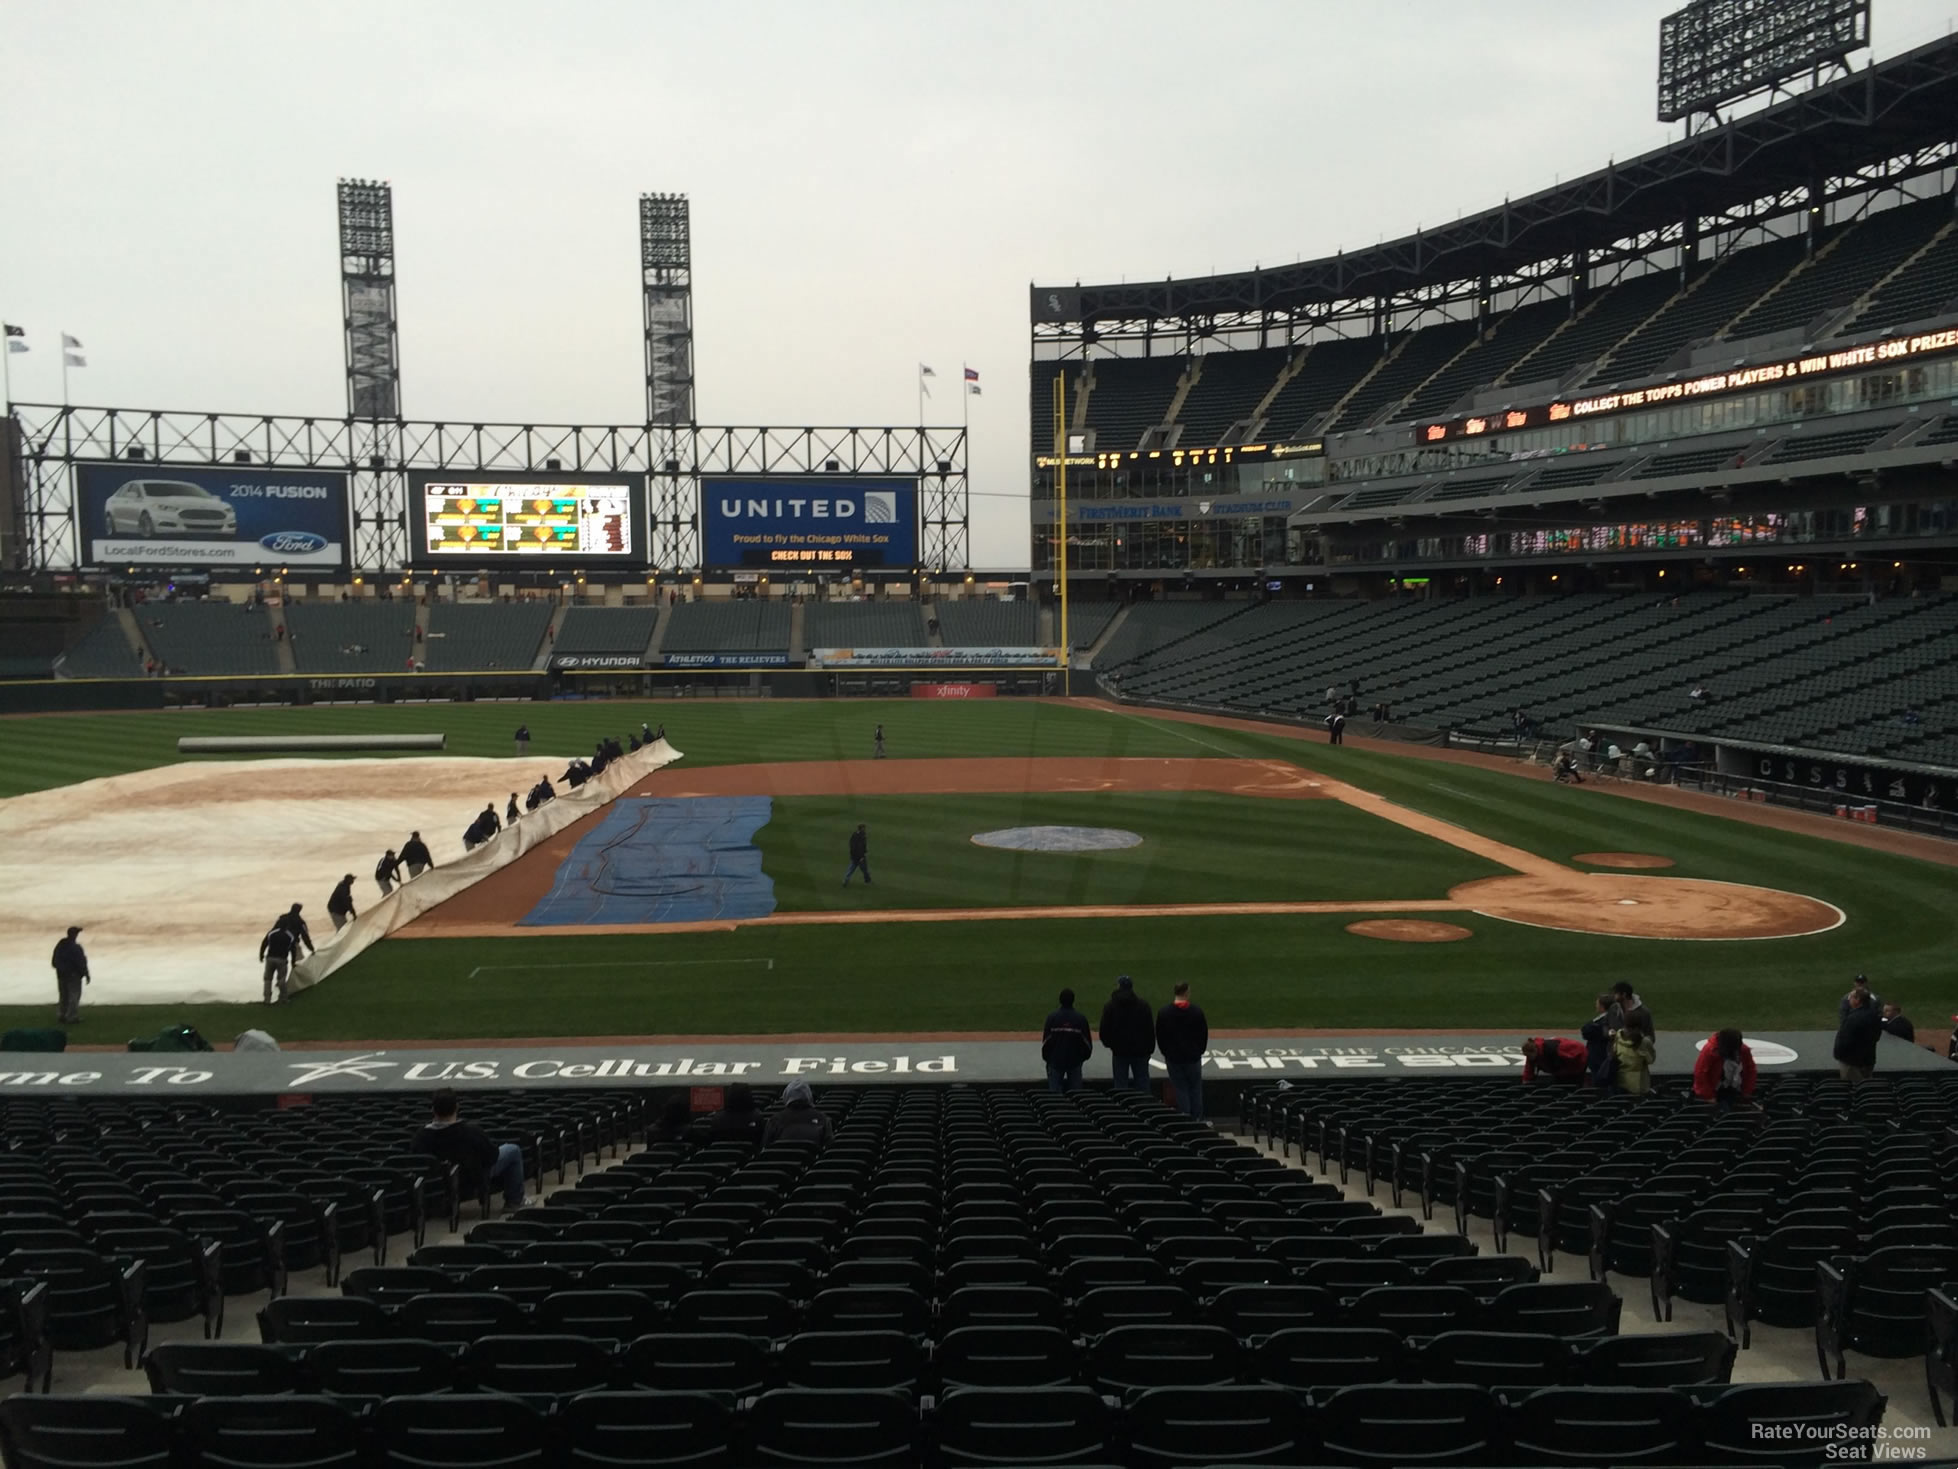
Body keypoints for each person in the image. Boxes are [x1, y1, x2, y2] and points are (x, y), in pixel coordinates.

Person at [413, 1088, 528, 1211]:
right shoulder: (471, 1132)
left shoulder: (421, 1136)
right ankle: (514, 1201)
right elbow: (492, 1156)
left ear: (433, 1109)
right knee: (513, 1150)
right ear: (457, 1107)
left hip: (437, 1184)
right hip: (474, 1178)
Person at [1157, 982, 1210, 1118]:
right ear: (1186, 992)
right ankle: (1197, 1118)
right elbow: (1203, 1034)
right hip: (1192, 1057)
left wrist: (1166, 1052)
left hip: (1174, 1057)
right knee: (1195, 1088)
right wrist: (1200, 1051)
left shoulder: (1164, 1013)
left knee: (1180, 1088)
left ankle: (1186, 1118)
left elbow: (1160, 1035)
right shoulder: (1196, 1012)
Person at [1098, 975, 1155, 1091]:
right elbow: (1149, 1030)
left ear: (1119, 986)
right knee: (1143, 1083)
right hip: (1140, 1051)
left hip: (1120, 1051)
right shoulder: (1143, 1005)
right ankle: (1145, 1106)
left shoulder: (1110, 1006)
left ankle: (1121, 1108)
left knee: (1120, 1084)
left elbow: (1104, 1029)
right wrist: (1149, 1049)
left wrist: (1111, 1045)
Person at [1041, 987, 1094, 1093]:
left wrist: (1048, 1059)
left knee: (1054, 1096)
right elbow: (1087, 1044)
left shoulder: (1052, 1017)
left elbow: (1046, 1042)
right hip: (1074, 1062)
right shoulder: (1080, 1019)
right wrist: (1081, 1059)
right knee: (1077, 1096)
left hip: (1055, 1061)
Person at [1692, 1029, 1757, 1110]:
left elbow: (1751, 1070)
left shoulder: (1743, 1050)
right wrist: (1709, 1096)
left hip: (1734, 1089)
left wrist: (1747, 1091)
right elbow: (1700, 1073)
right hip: (1714, 1090)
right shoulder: (1710, 1050)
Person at [764, 1079, 832, 1146]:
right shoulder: (822, 1119)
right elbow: (829, 1146)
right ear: (809, 1096)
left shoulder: (775, 1120)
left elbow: (766, 1147)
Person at [1834, 988, 1881, 1082]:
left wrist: (1838, 1055)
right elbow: (1876, 1036)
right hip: (1868, 1059)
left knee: (1853, 1088)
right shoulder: (1874, 1015)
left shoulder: (1853, 1018)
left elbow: (1844, 1041)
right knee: (1866, 1088)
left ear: (1857, 1000)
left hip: (1852, 1062)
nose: (1849, 1000)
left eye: (1851, 997)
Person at [51, 926, 89, 1025]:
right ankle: (71, 1017)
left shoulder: (60, 946)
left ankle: (62, 1015)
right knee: (74, 995)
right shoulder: (76, 948)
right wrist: (85, 973)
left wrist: (60, 969)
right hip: (73, 975)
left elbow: (54, 961)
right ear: (74, 935)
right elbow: (81, 962)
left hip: (61, 974)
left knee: (63, 996)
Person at [1580, 994, 1618, 1089]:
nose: (1596, 1005)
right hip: (1607, 1055)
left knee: (1600, 1083)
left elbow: (1585, 1030)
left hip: (1598, 1055)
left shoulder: (1601, 1021)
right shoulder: (1616, 1018)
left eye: (1598, 1004)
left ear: (1603, 1006)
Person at [1612, 1016, 1657, 1095]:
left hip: (1620, 1079)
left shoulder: (1618, 1036)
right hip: (1639, 1084)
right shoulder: (1645, 1042)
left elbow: (1614, 1052)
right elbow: (1651, 1060)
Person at [259, 919, 300, 1004]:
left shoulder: (271, 933)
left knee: (268, 979)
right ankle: (283, 998)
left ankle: (267, 999)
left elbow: (264, 944)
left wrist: (261, 955)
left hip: (270, 958)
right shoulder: (289, 936)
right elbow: (293, 950)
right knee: (281, 979)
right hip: (282, 959)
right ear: (287, 926)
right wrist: (293, 961)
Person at [1519, 1036, 1588, 1084]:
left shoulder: (1554, 1049)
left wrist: (1573, 1071)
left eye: (1528, 1056)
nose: (1528, 1058)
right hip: (1561, 1070)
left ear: (1534, 1051)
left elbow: (1579, 1052)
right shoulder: (1532, 1056)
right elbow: (1528, 1072)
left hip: (1578, 1062)